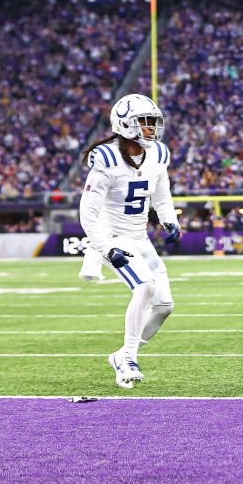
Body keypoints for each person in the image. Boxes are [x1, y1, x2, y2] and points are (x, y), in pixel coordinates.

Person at [78, 94, 182, 389]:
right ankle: (128, 359)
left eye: (153, 122)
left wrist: (169, 220)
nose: (151, 128)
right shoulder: (106, 159)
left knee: (164, 305)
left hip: (140, 237)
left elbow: (162, 194)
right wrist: (105, 248)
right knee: (145, 287)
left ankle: (122, 354)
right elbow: (89, 213)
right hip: (114, 235)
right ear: (125, 125)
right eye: (144, 122)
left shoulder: (159, 154)